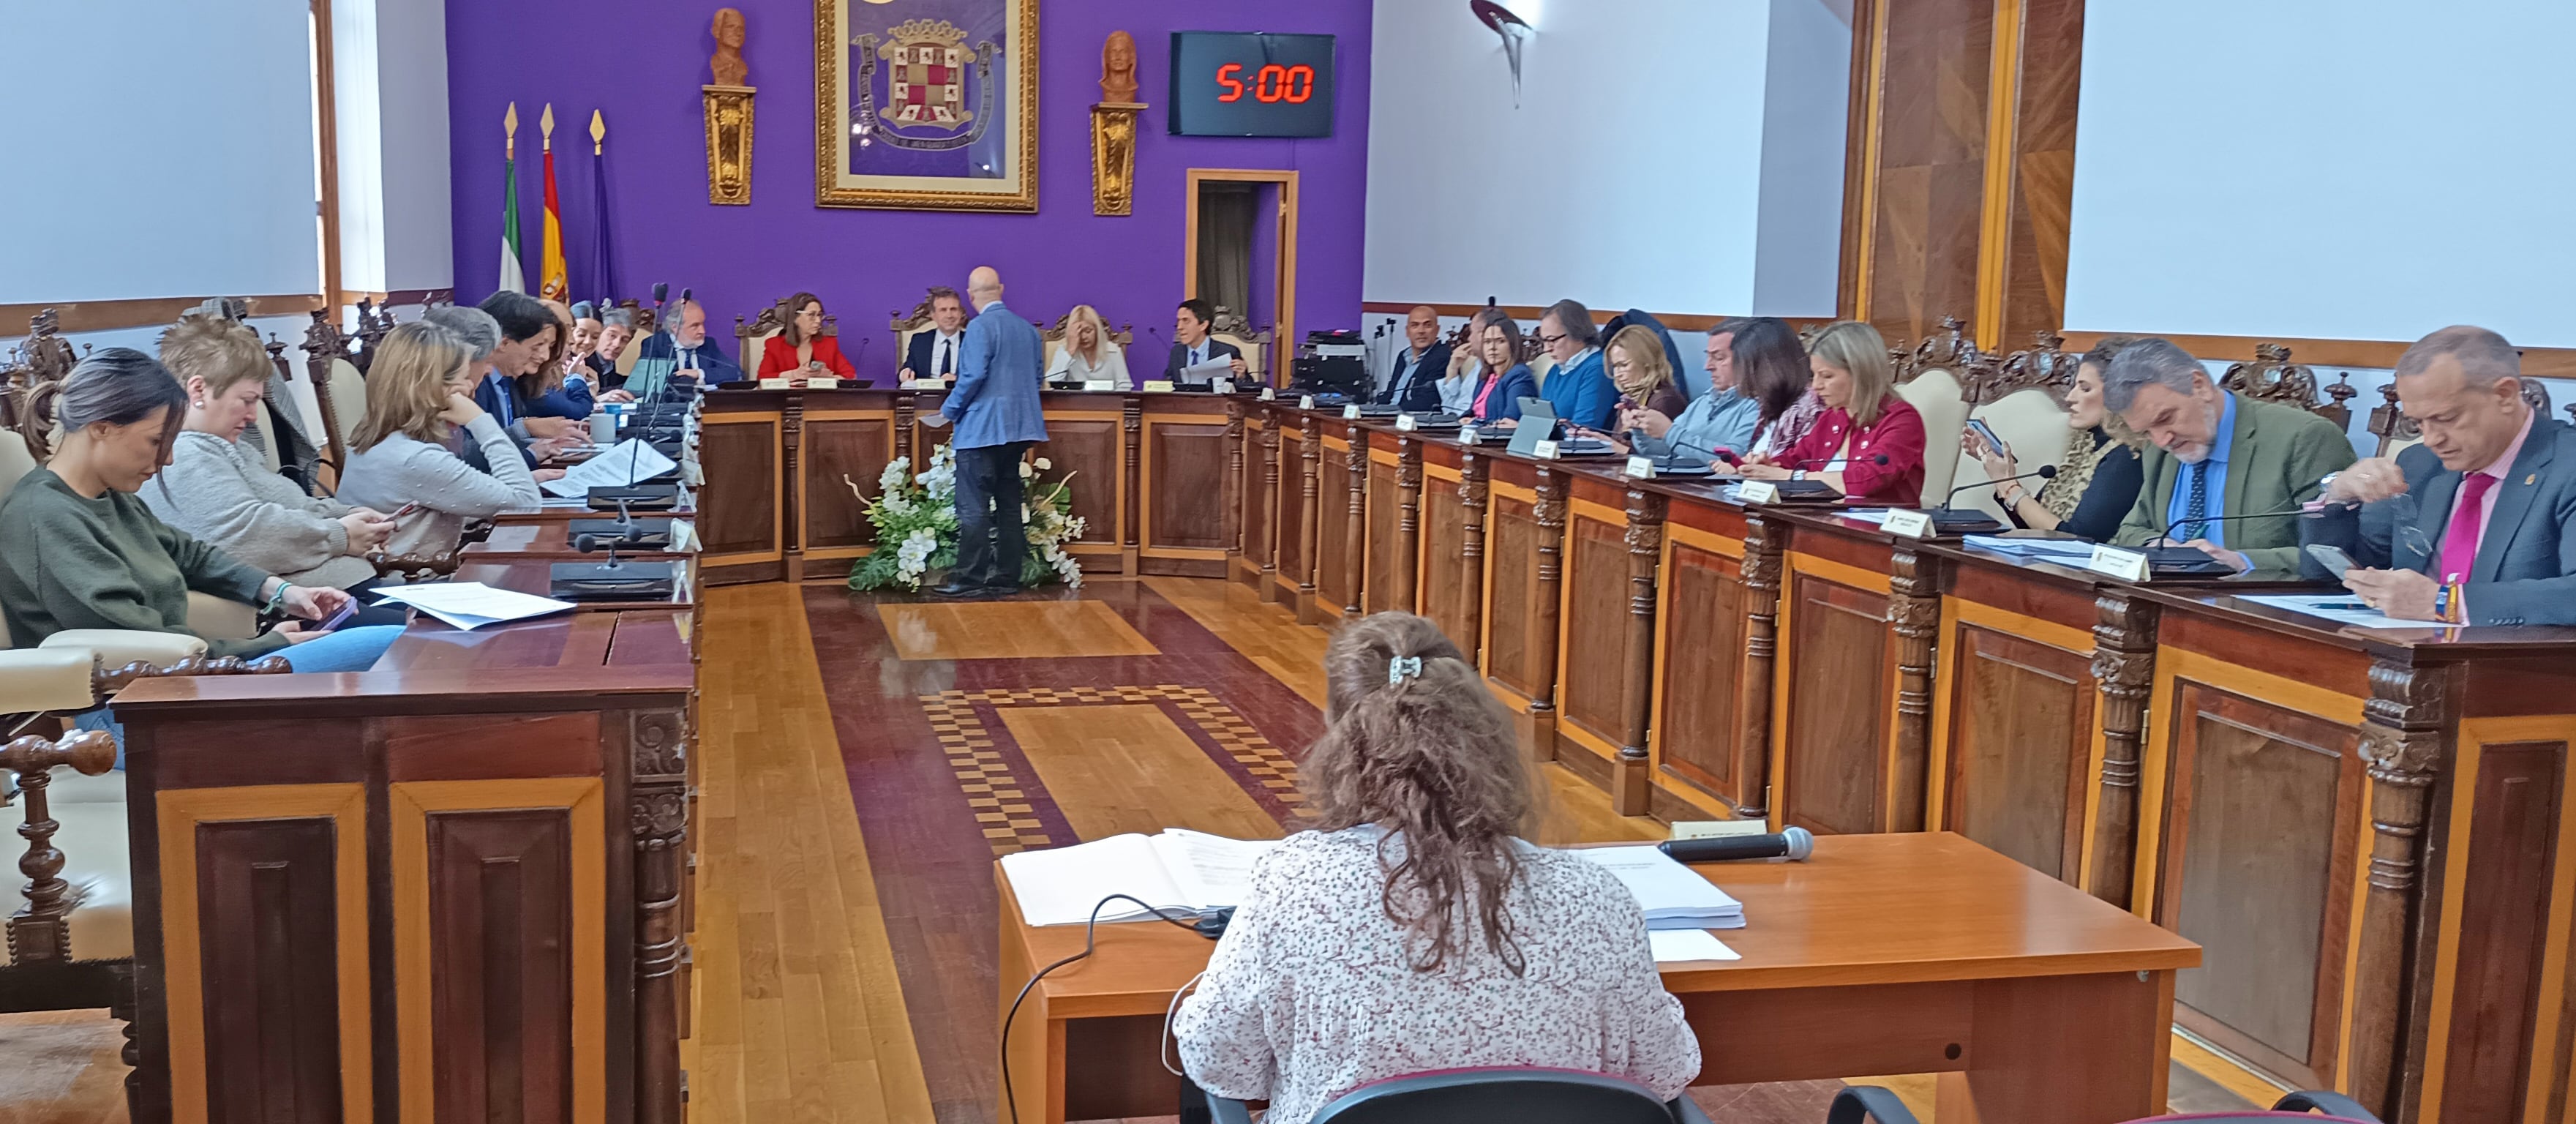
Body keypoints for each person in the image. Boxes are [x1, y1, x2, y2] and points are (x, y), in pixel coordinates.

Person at [1174, 613, 1700, 1124]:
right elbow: (1663, 1072)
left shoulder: (1294, 883)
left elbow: (1221, 1064)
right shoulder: (1595, 895)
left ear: (1339, 735)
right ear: (1482, 730)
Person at [0, 348, 403, 674]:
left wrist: (280, 592)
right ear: (101, 428)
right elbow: (135, 639)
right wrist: (267, 645)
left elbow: (191, 555)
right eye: (158, 441)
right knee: (398, 643)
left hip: (180, 675)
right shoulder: (46, 516)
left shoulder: (110, 496)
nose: (169, 460)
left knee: (407, 645)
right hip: (128, 709)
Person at [140, 315, 406, 626]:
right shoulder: (185, 454)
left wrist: (349, 515)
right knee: (452, 639)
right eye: (247, 400)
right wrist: (340, 535)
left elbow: (296, 507)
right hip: (297, 615)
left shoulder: (227, 446)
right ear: (198, 390)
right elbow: (242, 537)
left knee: (462, 625)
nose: (253, 416)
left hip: (343, 593)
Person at [2301, 326, 2576, 624]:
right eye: (2418, 423)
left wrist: (2447, 602)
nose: (2431, 439)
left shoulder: (2566, 467)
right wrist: (2339, 494)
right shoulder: (2420, 463)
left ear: (2505, 395)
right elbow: (2335, 577)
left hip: (2517, 664)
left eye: (2445, 419)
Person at [2106, 337, 2356, 574]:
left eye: (2165, 418)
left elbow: (2339, 556)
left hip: (2260, 609)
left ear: (2200, 386)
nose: (2161, 440)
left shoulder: (2305, 438)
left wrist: (2241, 561)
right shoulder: (2161, 447)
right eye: (2148, 431)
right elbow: (2132, 529)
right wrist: (2163, 549)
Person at [337, 322, 548, 562]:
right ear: (433, 387)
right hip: (410, 582)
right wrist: (481, 422)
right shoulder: (415, 459)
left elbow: (443, 496)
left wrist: (505, 487)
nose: (471, 387)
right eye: (463, 378)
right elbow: (526, 507)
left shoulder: (383, 438)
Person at [923, 266, 1045, 598]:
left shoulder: (978, 328)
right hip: (1020, 429)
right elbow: (1037, 379)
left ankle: (968, 578)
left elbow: (973, 376)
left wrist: (948, 411)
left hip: (981, 430)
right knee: (1009, 506)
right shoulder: (1028, 330)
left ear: (972, 295)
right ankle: (1007, 577)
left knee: (973, 507)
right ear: (1001, 290)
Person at [1962, 336, 2147, 541]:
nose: (2070, 398)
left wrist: (2009, 486)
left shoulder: (2128, 454)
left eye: (2085, 389)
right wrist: (2003, 478)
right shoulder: (2085, 445)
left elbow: (2078, 538)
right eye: (2074, 386)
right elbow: (2034, 525)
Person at [1741, 321, 1925, 506]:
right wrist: (1766, 466)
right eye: (1814, 376)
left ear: (1860, 373)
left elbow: (1866, 481)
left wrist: (1791, 476)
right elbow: (1796, 458)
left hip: (1877, 529)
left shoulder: (1903, 420)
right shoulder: (1833, 416)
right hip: (1818, 520)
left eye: (1827, 376)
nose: (1816, 386)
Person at [1619, 319, 1764, 462]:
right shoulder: (1703, 402)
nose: (1707, 366)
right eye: (1708, 357)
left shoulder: (1757, 407)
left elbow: (1734, 458)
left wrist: (1670, 432)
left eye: (1719, 358)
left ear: (1747, 360)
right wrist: (1639, 428)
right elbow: (1666, 450)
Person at [629, 296, 746, 396]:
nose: (703, 331)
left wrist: (699, 374)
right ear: (675, 327)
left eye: (702, 324)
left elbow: (735, 372)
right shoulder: (655, 344)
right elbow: (646, 385)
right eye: (695, 325)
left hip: (706, 407)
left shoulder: (708, 344)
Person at [1534, 299, 1618, 430]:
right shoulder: (1556, 369)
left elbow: (1583, 428)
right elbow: (1543, 420)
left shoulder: (1598, 368)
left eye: (1552, 340)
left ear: (1577, 335)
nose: (1546, 349)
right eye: (1544, 341)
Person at [757, 292, 859, 381]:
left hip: (822, 400)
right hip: (785, 400)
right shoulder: (774, 345)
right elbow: (762, 377)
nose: (818, 321)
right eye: (811, 315)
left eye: (820, 315)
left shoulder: (829, 344)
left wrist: (830, 378)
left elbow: (851, 375)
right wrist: (793, 375)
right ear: (795, 318)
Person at [1604, 323, 1689, 422]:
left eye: (1624, 365)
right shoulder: (1631, 399)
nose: (1617, 374)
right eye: (1615, 366)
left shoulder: (1665, 401)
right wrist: (1600, 437)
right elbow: (1625, 437)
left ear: (1646, 362)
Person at [1373, 306, 1449, 411]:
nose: (1421, 331)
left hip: (1411, 419)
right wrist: (1372, 408)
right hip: (1391, 415)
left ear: (1437, 330)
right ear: (1407, 331)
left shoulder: (1442, 357)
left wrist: (1390, 412)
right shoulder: (1403, 356)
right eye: (1415, 325)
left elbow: (1427, 402)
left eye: (1427, 325)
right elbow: (1390, 393)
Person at [1466, 313, 1539, 424]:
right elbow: (1474, 411)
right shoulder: (1486, 376)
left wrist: (1472, 423)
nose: (1492, 348)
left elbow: (1509, 422)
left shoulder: (1519, 375)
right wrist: (1464, 418)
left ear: (1513, 344)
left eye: (1500, 341)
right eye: (1487, 342)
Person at [1434, 310, 1503, 416]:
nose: (1469, 338)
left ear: (1483, 334)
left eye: (1471, 332)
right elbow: (1449, 410)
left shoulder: (1498, 370)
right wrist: (1452, 370)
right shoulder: (1477, 366)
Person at [1045, 304, 1133, 387]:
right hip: (1073, 402)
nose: (1083, 337)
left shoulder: (1113, 351)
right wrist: (1070, 351)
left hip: (1108, 402)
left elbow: (1124, 385)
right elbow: (1052, 381)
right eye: (1078, 333)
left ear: (1097, 331)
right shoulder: (1064, 351)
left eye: (1088, 331)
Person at [1165, 298, 1248, 383]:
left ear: (1203, 325)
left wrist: (1241, 376)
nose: (1179, 327)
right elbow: (1168, 384)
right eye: (1178, 321)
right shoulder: (1176, 352)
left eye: (1186, 320)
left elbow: (1246, 388)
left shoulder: (1227, 352)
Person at [901, 288, 970, 385]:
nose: (949, 315)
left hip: (962, 396)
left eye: (953, 309)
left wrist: (958, 380)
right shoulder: (919, 341)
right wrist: (905, 373)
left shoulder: (972, 341)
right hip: (926, 397)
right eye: (943, 310)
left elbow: (981, 376)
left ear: (961, 313)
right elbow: (908, 367)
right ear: (933, 315)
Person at [585, 304, 637, 400]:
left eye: (625, 340)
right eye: (612, 336)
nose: (617, 344)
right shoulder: (582, 360)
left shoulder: (608, 363)